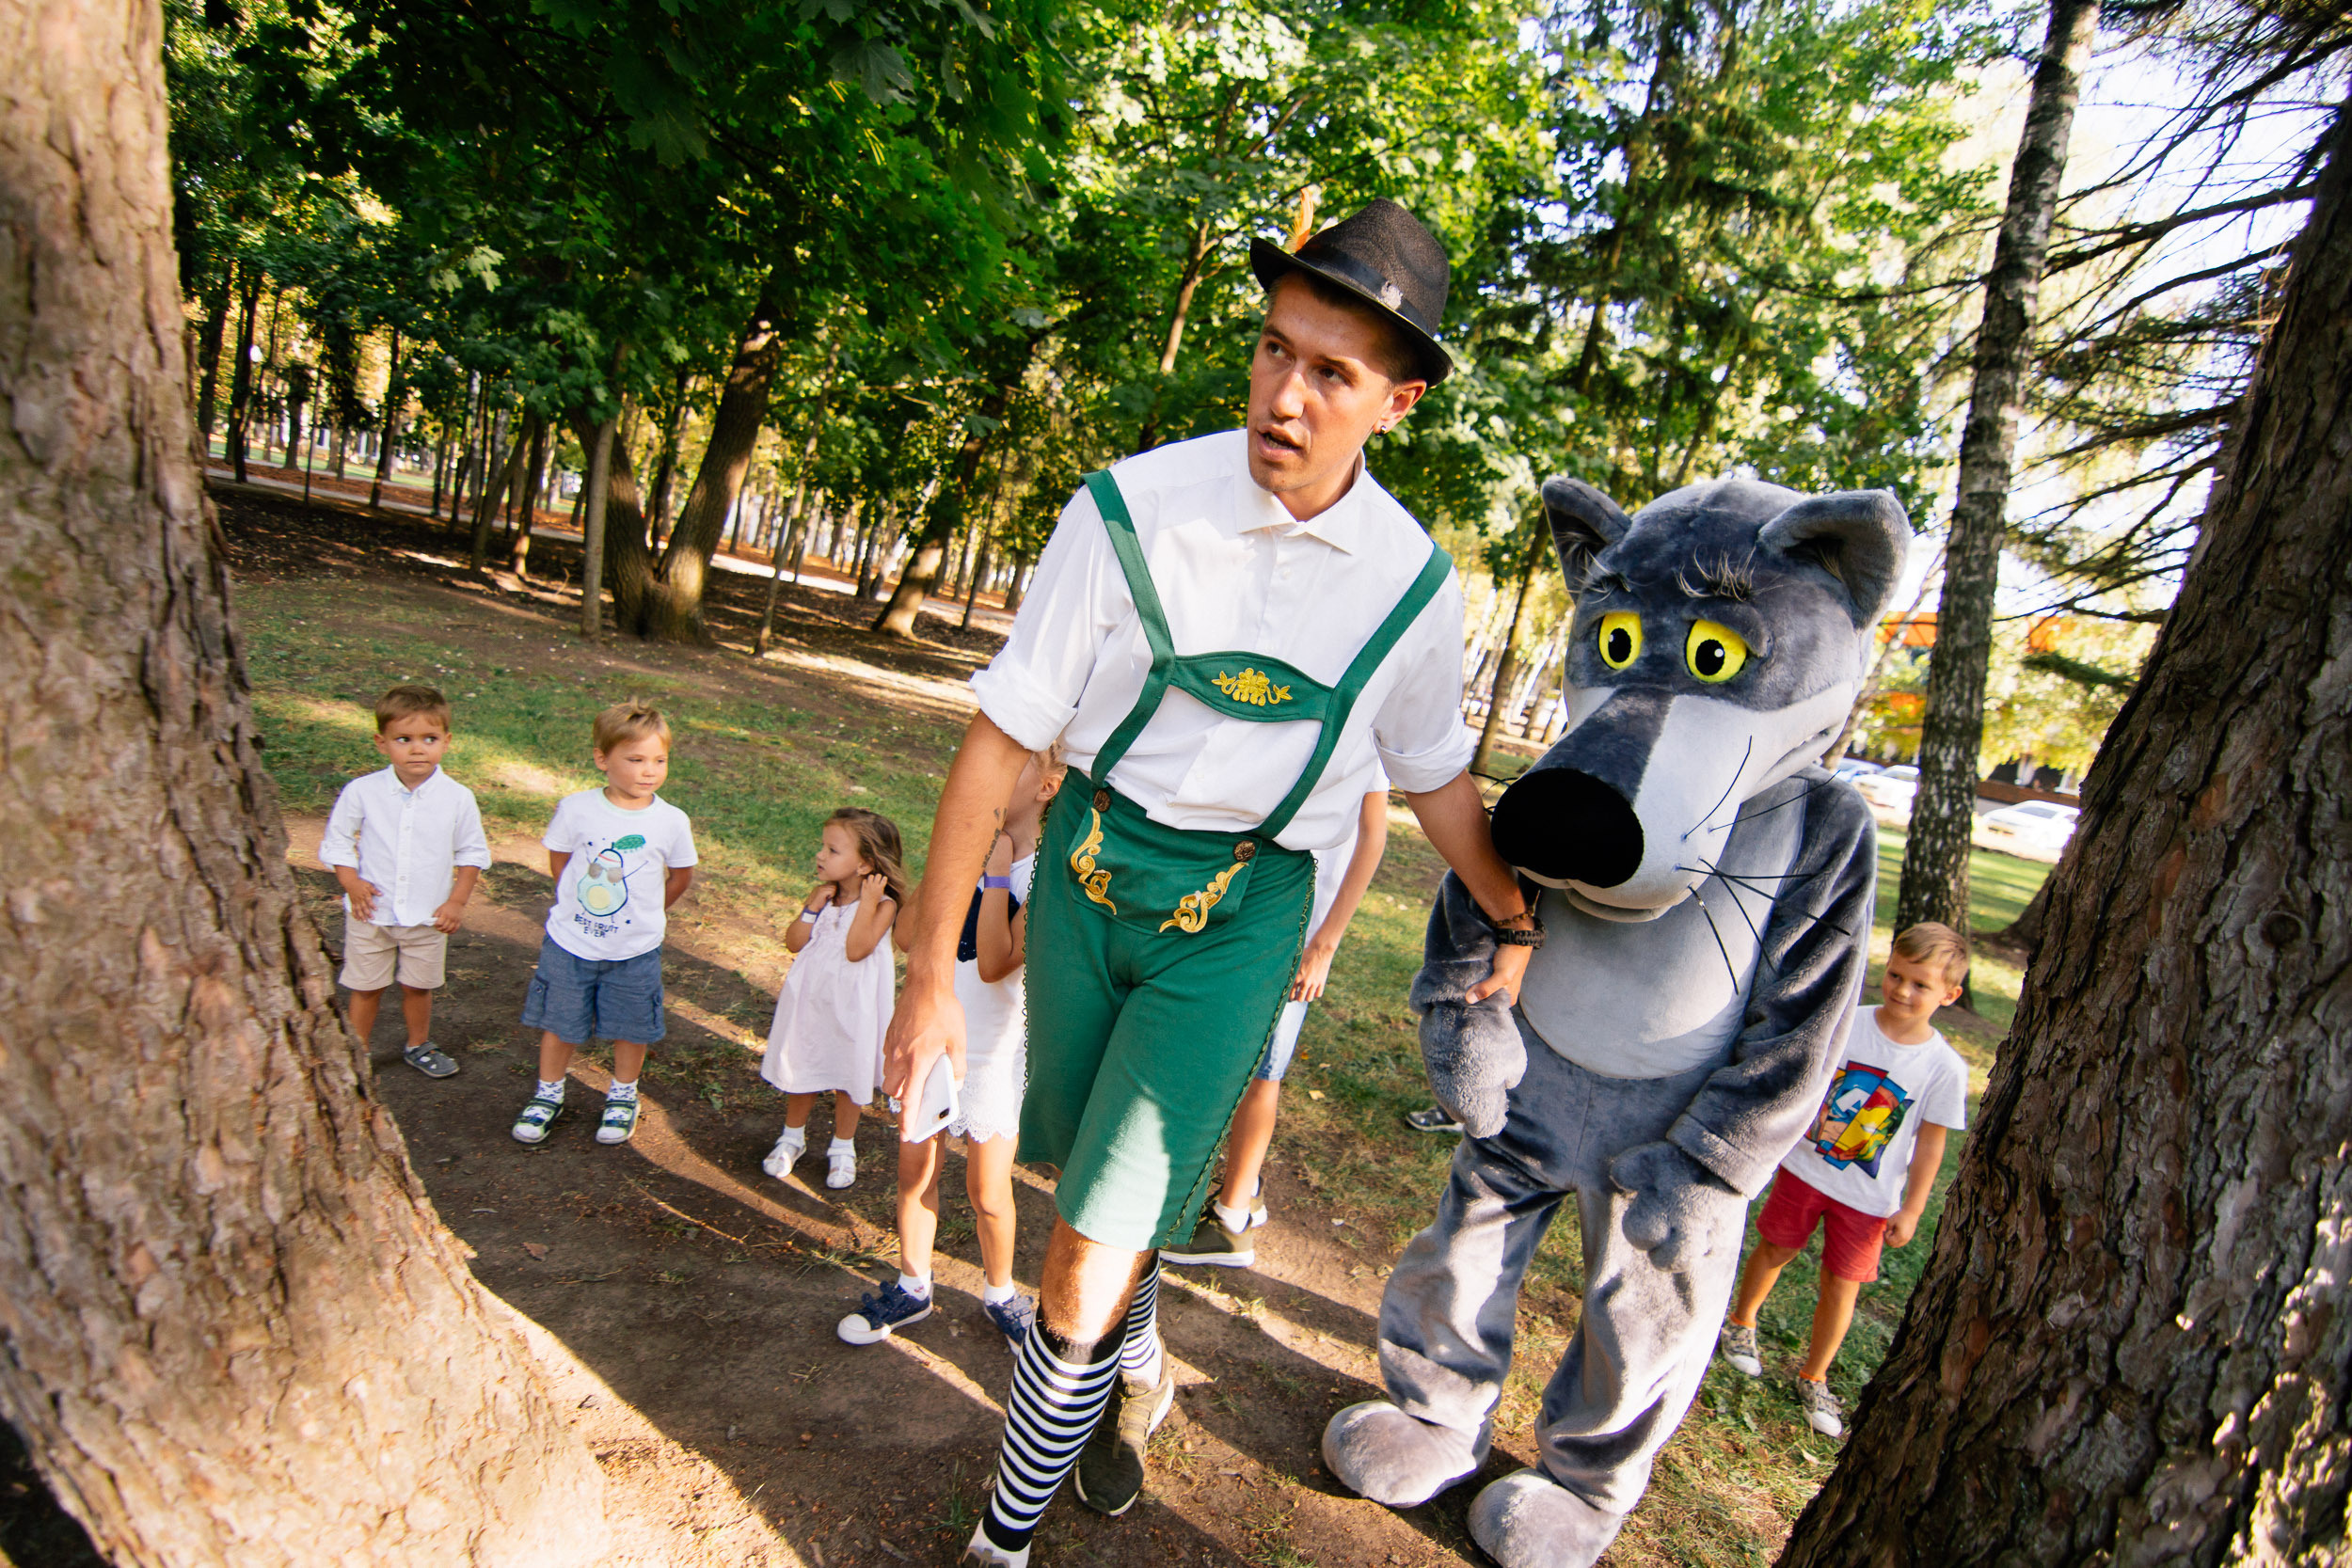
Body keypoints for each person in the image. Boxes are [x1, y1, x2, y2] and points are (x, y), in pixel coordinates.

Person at [882, 198, 1539, 1568]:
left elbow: (1432, 777)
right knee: (1085, 1193)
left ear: (1397, 402)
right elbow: (1001, 733)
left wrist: (1515, 913)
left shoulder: (1413, 586)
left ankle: (1000, 1543)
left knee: (1087, 1234)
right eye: (1272, 350)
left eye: (1332, 373)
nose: (1284, 395)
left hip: (1239, 918)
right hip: (1087, 874)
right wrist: (928, 978)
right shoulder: (1131, 509)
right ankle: (1123, 1363)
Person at [838, 752, 1064, 1348]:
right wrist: (955, 865)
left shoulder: (1046, 873)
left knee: (989, 1191)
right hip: (930, 1040)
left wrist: (992, 878)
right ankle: (913, 1286)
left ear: (1048, 784)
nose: (990, 773)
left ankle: (1002, 1295)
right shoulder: (965, 848)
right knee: (916, 1171)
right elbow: (910, 936)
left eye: (1011, 766)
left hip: (992, 1052)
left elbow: (994, 963)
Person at [1717, 921, 1972, 1437]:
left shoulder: (1945, 1068)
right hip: (1805, 1169)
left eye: (1920, 984)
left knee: (1843, 1284)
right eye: (1896, 975)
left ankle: (1815, 1375)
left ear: (1950, 994)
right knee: (1776, 1248)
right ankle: (1741, 1325)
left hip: (1869, 1198)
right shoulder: (1848, 1021)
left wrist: (1914, 1208)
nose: (1902, 990)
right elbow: (1805, 1079)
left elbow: (1931, 1144)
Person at [1164, 781, 1388, 1269]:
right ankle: (1243, 1186)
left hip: (1295, 933)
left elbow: (1373, 837)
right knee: (1216, 1057)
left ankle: (1230, 1221)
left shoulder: (1367, 723)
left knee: (1262, 1070)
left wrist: (1324, 944)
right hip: (1235, 910)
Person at [509, 702, 697, 1148]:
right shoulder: (577, 810)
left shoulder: (671, 821)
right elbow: (560, 859)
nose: (649, 771)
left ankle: (623, 1094)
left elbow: (682, 874)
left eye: (659, 760)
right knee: (560, 1022)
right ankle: (548, 1092)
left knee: (632, 1027)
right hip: (570, 944)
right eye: (635, 760)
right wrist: (581, 902)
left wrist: (651, 912)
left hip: (635, 952)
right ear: (602, 759)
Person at [320, 683, 490, 1079]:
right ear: (382, 743)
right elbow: (338, 843)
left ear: (446, 742)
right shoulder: (361, 791)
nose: (417, 749)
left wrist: (456, 902)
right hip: (370, 913)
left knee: (418, 985)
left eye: (429, 739)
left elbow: (472, 854)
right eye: (404, 739)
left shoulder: (458, 798)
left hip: (427, 916)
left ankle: (418, 1044)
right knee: (366, 986)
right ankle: (356, 1051)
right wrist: (351, 883)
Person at [759, 808, 906, 1190]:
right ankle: (792, 1137)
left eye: (833, 850)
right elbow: (794, 943)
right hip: (811, 1001)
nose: (821, 856)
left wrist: (871, 900)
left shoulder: (884, 906)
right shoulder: (823, 898)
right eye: (823, 847)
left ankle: (843, 1146)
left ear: (865, 864)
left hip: (853, 1007)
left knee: (847, 1072)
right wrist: (810, 907)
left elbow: (857, 949)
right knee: (803, 1063)